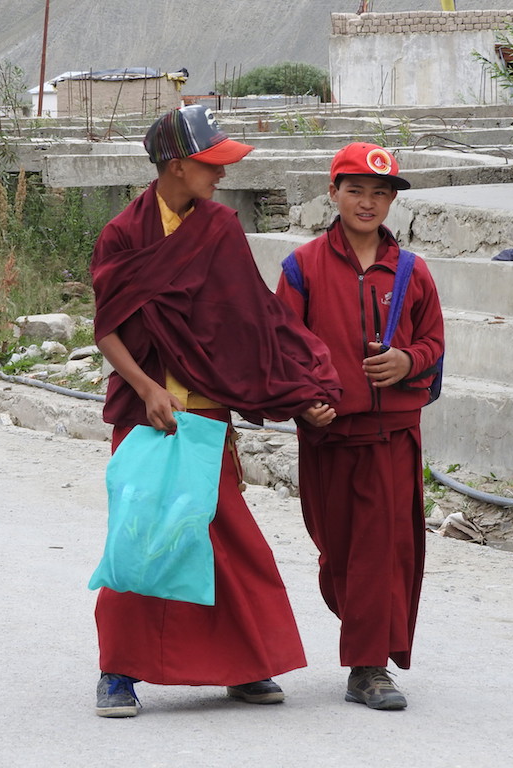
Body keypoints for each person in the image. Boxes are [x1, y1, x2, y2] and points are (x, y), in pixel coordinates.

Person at [89, 104, 342, 718]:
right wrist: (148, 389)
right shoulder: (124, 234)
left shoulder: (220, 227)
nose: (221, 175)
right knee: (143, 537)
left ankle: (244, 666)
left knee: (227, 542)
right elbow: (108, 330)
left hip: (206, 415)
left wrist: (301, 384)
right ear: (176, 166)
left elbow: (253, 318)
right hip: (147, 413)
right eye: (211, 164)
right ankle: (118, 672)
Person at [275, 142, 445, 711]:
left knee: (383, 549)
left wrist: (407, 361)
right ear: (334, 194)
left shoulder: (413, 272)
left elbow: (434, 344)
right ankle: (363, 626)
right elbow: (283, 348)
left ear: (392, 202)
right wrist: (302, 402)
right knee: (339, 552)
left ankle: (367, 667)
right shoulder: (302, 268)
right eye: (357, 191)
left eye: (381, 193)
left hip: (392, 435)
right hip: (329, 434)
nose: (368, 203)